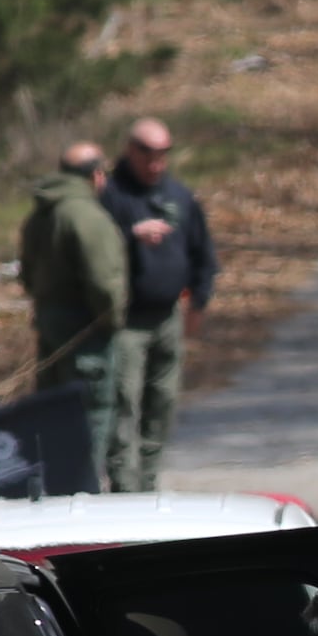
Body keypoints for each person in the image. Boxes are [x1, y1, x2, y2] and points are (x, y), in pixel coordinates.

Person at [94, 118, 218, 492]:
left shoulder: (179, 196)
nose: (156, 163)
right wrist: (130, 236)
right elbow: (93, 254)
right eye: (147, 153)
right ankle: (124, 486)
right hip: (126, 321)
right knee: (124, 403)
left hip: (168, 317)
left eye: (163, 154)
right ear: (130, 150)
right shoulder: (111, 197)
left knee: (162, 402)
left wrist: (198, 301)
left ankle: (147, 483)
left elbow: (203, 253)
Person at [14, 141, 130, 491]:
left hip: (51, 330)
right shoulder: (86, 215)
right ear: (96, 175)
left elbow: (27, 275)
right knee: (91, 421)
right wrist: (112, 320)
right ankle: (84, 498)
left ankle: (57, 492)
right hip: (86, 336)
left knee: (54, 420)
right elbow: (105, 281)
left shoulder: (40, 213)